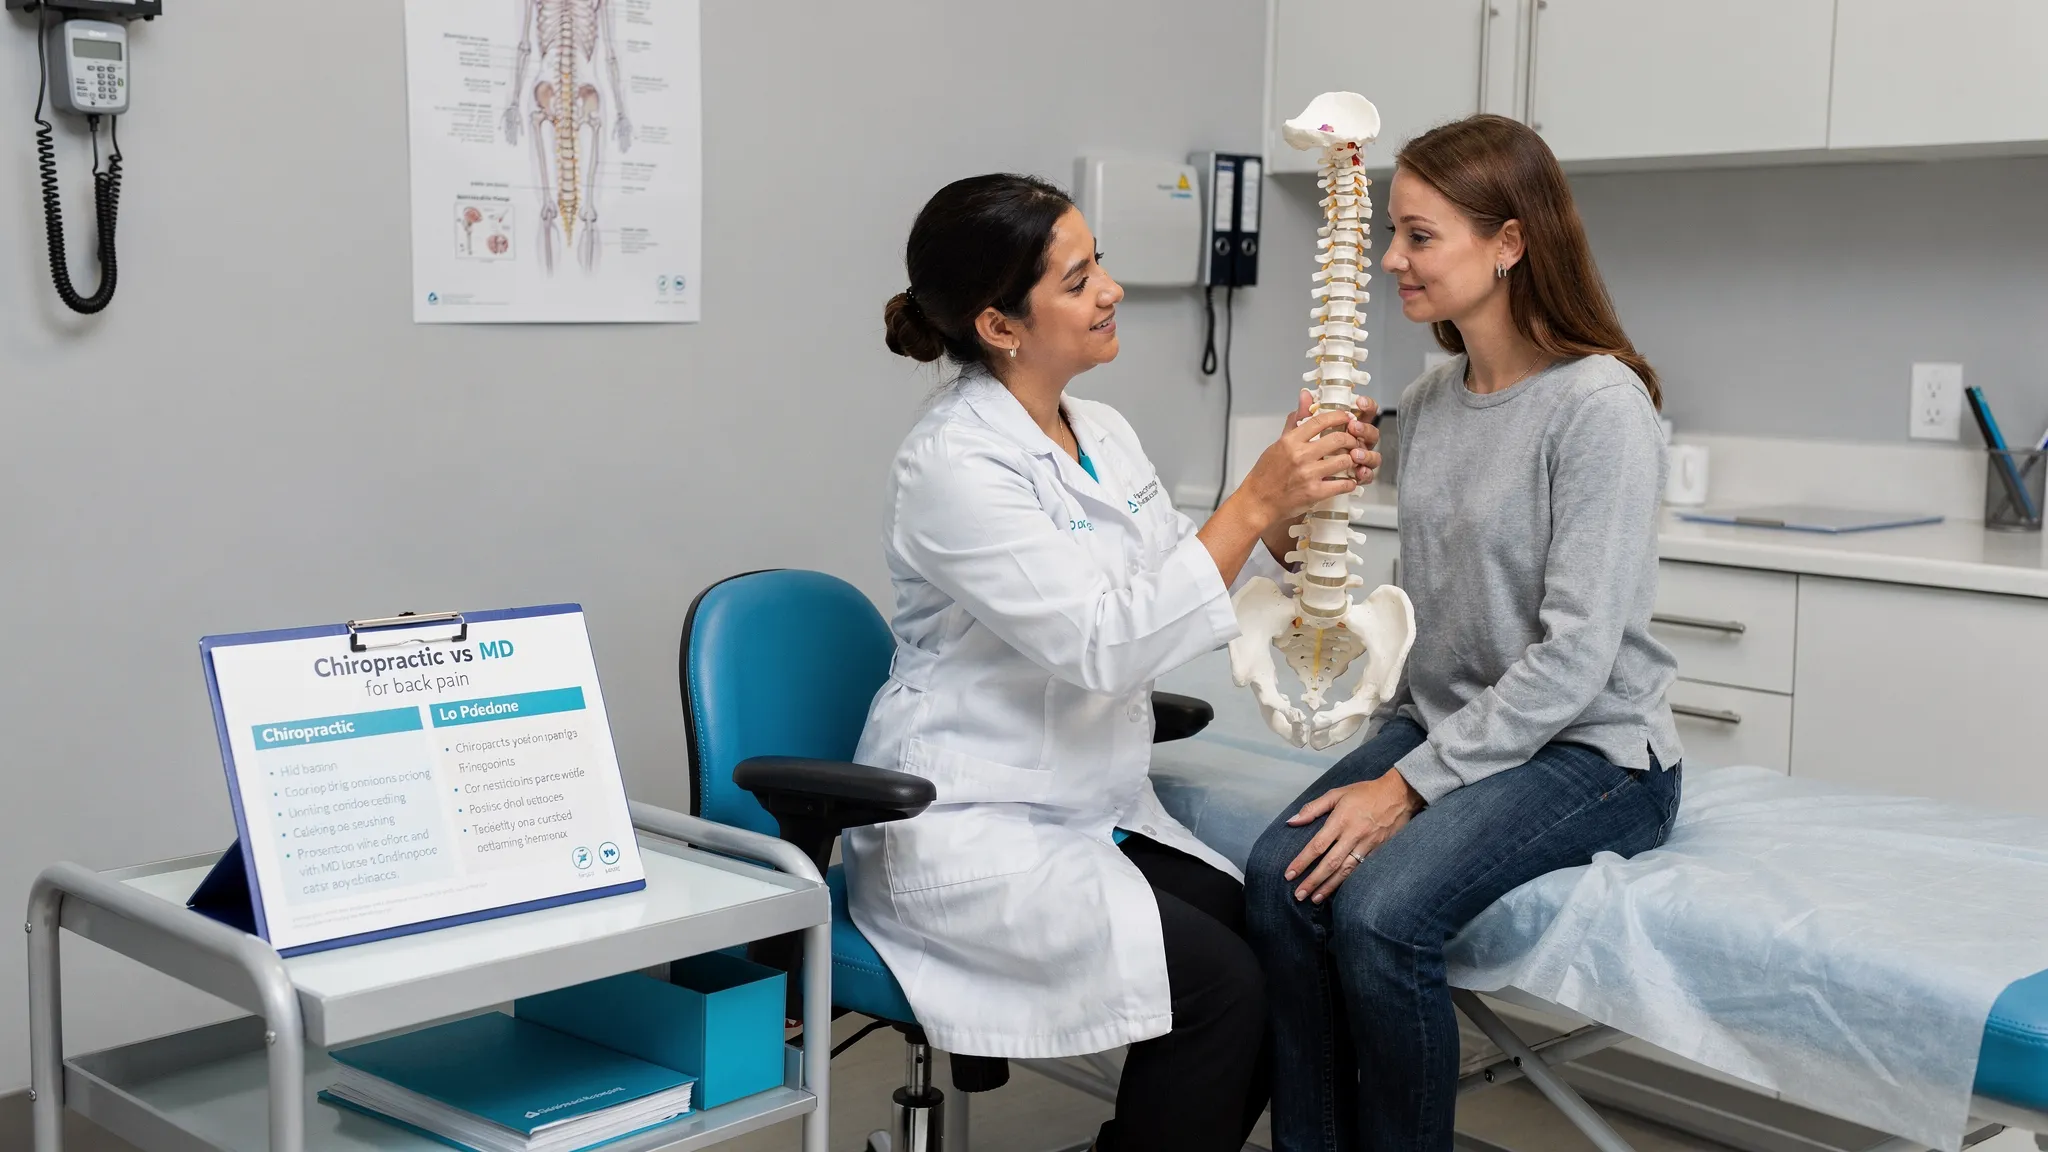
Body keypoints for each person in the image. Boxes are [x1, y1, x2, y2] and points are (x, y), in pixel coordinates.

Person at [846, 172, 1378, 1152]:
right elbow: (1102, 641)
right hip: (970, 825)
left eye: (1101, 264)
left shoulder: (1102, 432)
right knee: (1224, 992)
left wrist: (1290, 519)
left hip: (1084, 807)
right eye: (1078, 277)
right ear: (1000, 325)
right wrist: (1250, 504)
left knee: (1284, 945)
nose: (1111, 290)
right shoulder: (954, 465)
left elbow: (1170, 563)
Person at [1244, 115, 1686, 1152]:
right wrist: (1294, 512)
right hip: (1456, 719)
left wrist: (1406, 786)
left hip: (1592, 751)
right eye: (1391, 234)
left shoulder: (1599, 409)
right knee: (1279, 875)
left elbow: (1576, 658)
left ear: (1509, 242)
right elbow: (1415, 606)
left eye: (1418, 235)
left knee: (1381, 911)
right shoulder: (1431, 399)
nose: (1392, 260)